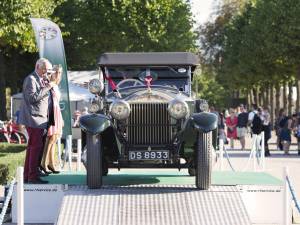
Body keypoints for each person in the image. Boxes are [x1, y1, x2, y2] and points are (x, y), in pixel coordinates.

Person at [18, 58, 56, 184]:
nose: (46, 72)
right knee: (35, 147)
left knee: (32, 147)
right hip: (33, 119)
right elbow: (32, 98)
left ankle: (28, 175)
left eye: (48, 69)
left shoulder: (41, 78)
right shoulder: (31, 79)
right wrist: (48, 87)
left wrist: (48, 82)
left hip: (40, 118)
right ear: (37, 67)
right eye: (44, 69)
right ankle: (32, 177)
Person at [41, 66, 63, 174]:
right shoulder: (49, 83)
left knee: (54, 139)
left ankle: (51, 163)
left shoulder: (56, 85)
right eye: (56, 72)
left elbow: (57, 102)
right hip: (51, 112)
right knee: (51, 138)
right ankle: (44, 163)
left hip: (57, 112)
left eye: (59, 72)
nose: (58, 74)